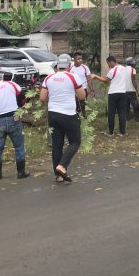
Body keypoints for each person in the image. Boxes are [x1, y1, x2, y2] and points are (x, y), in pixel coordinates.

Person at [41, 54, 87, 182]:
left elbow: (43, 98)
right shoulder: (73, 77)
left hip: (53, 114)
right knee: (75, 141)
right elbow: (82, 96)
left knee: (57, 144)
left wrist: (55, 98)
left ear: (57, 65)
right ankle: (62, 166)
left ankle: (58, 175)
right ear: (69, 65)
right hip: (68, 114)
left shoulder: (48, 78)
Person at [0, 68, 29, 180]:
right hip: (15, 118)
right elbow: (23, 99)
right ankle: (21, 172)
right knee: (19, 146)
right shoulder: (12, 85)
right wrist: (20, 109)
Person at [91, 56, 129, 136]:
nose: (108, 65)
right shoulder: (124, 68)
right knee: (122, 112)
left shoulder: (113, 70)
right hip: (123, 92)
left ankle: (111, 132)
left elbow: (105, 80)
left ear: (112, 61)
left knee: (111, 113)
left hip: (113, 93)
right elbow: (113, 78)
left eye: (108, 63)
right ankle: (122, 132)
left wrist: (96, 76)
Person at [69, 50, 94, 116]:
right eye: (78, 59)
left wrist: (91, 90)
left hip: (83, 89)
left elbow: (89, 79)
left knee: (82, 105)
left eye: (81, 59)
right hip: (73, 91)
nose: (80, 60)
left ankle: (84, 118)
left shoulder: (85, 68)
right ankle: (76, 117)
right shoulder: (70, 69)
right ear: (74, 59)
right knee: (76, 106)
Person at [124, 57, 139, 122]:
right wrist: (137, 91)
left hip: (124, 91)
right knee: (135, 105)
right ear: (132, 63)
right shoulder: (133, 69)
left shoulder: (123, 69)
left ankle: (127, 118)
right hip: (131, 90)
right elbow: (133, 80)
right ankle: (137, 118)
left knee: (126, 106)